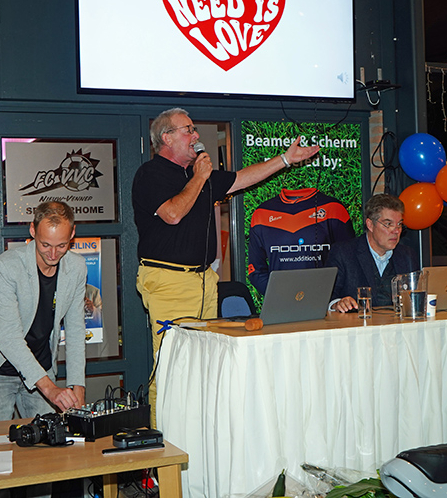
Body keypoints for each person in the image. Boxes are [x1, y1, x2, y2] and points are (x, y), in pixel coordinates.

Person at [132, 107, 319, 415]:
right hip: (170, 282)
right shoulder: (150, 174)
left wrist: (285, 160)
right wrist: (201, 177)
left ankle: (197, 443)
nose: (196, 135)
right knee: (171, 366)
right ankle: (163, 453)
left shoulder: (195, 174)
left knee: (204, 364)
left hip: (204, 280)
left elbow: (242, 179)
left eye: (194, 129)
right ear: (166, 137)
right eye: (188, 129)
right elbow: (173, 213)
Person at [0, 201, 87, 422]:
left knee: (48, 448)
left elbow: (76, 330)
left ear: (72, 233)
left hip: (41, 363)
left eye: (61, 245)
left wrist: (77, 384)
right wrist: (50, 390)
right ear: (32, 231)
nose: (53, 254)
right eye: (45, 245)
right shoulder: (6, 267)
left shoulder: (77, 267)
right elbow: (8, 337)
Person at [248, 187, 355, 295]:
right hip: (280, 306)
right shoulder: (262, 213)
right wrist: (278, 296)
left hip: (326, 304)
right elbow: (256, 270)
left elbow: (350, 263)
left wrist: (333, 298)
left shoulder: (334, 208)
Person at [327, 193, 419, 312]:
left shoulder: (407, 255)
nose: (396, 231)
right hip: (359, 327)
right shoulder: (343, 253)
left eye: (399, 224)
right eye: (388, 224)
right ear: (370, 225)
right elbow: (327, 296)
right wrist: (337, 304)